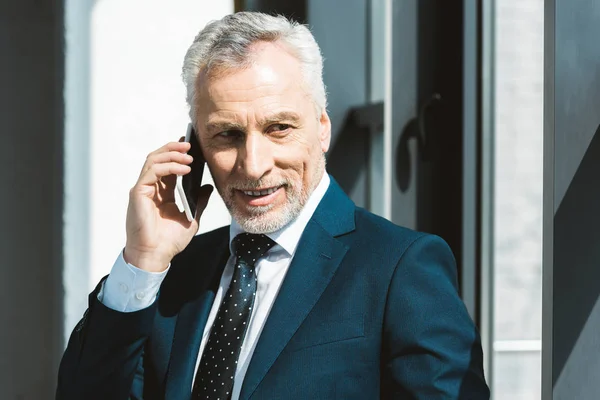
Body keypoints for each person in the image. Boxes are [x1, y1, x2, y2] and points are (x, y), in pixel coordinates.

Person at [57, 11, 489, 400]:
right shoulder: (171, 279)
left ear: (322, 128)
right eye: (227, 134)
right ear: (195, 148)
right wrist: (142, 261)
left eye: (278, 128)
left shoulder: (399, 268)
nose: (254, 164)